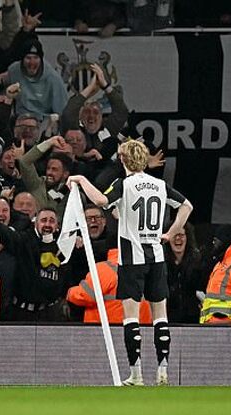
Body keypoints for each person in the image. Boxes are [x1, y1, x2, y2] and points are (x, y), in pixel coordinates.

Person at [68, 138, 193, 386]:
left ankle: (136, 374)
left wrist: (82, 181)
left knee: (131, 317)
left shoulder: (124, 185)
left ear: (123, 159)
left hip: (131, 259)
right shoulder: (159, 184)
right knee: (160, 315)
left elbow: (102, 201)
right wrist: (170, 232)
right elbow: (187, 206)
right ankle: (162, 371)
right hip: (156, 256)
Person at [67, 247, 152, 324]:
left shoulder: (104, 269)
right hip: (142, 330)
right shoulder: (147, 269)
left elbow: (82, 295)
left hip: (106, 332)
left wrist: (69, 292)